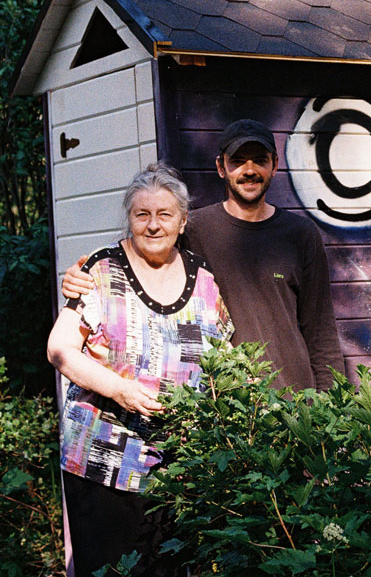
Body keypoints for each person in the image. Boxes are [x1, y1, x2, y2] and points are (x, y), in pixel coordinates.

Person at [47, 162, 233, 577]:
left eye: (164, 214)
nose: (153, 224)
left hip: (175, 463)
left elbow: (222, 357)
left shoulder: (204, 278)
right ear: (129, 219)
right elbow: (61, 349)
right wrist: (119, 389)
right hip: (101, 456)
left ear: (182, 221)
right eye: (141, 213)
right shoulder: (99, 270)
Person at [63, 119, 344, 391]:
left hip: (295, 400)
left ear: (274, 166)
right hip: (225, 404)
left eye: (259, 160)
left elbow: (321, 330)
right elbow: (139, 252)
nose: (249, 170)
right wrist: (83, 277)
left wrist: (330, 407)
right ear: (221, 167)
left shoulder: (301, 234)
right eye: (237, 161)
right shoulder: (192, 229)